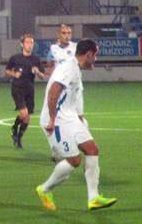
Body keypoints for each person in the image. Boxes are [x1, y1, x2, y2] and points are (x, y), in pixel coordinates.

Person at [35, 39, 117, 212]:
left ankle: (93, 198)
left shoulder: (76, 68)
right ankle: (45, 189)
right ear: (89, 54)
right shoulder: (68, 68)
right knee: (74, 160)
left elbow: (72, 99)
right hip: (57, 120)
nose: (96, 59)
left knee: (92, 150)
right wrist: (52, 119)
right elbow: (53, 92)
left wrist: (80, 120)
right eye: (95, 55)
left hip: (70, 118)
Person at [4, 34, 46, 148]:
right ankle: (14, 128)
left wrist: (37, 72)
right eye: (27, 42)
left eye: (31, 42)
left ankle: (18, 137)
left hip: (30, 90)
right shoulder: (15, 58)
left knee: (27, 118)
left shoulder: (36, 59)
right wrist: (14, 74)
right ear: (22, 44)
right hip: (17, 88)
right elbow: (7, 70)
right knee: (24, 113)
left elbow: (43, 76)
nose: (30, 45)